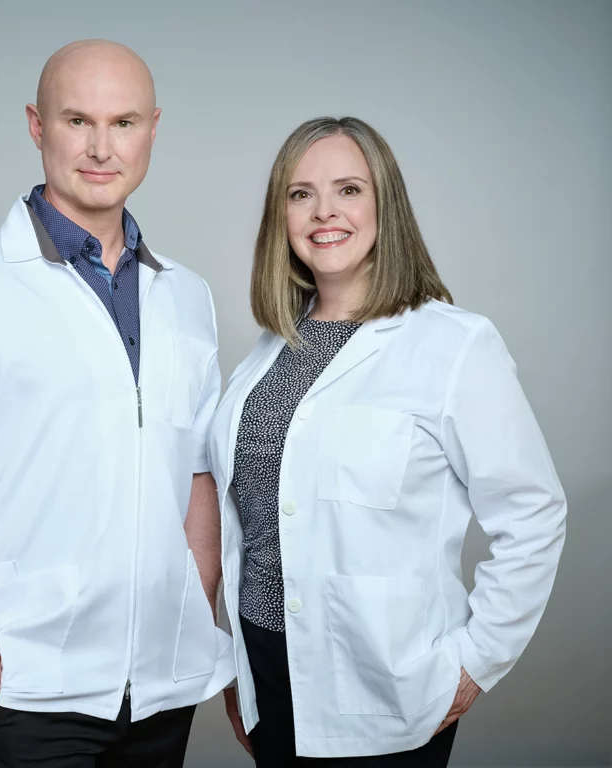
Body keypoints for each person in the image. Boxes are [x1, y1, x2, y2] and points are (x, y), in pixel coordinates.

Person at [0, 39, 235, 768]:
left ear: (153, 129)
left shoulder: (186, 297)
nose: (102, 147)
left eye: (124, 123)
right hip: (27, 685)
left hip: (160, 686)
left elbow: (196, 470)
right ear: (37, 125)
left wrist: (184, 604)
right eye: (78, 121)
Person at [208, 116, 567, 766]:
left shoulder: (454, 346)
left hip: (386, 681)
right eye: (300, 193)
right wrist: (236, 667)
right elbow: (248, 520)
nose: (324, 212)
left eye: (349, 189)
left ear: (385, 206)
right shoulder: (265, 356)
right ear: (280, 216)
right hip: (266, 668)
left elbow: (534, 514)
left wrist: (474, 663)